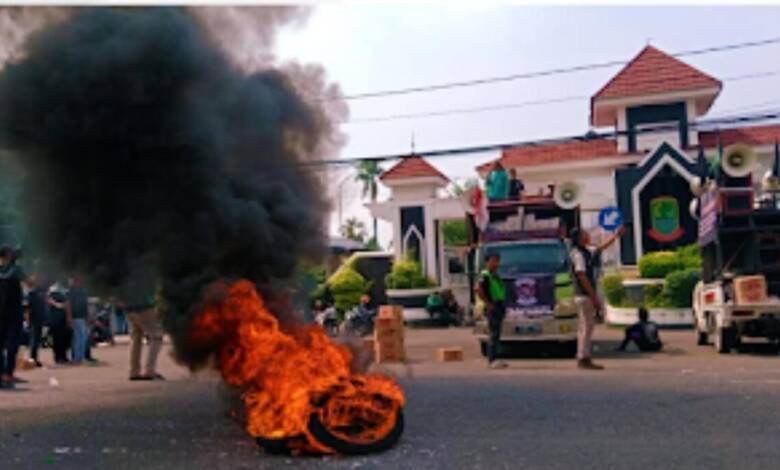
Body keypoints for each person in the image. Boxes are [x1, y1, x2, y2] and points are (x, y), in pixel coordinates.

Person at [569, 226, 625, 370]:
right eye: (584, 234)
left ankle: (582, 355)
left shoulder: (586, 251)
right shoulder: (578, 254)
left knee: (585, 327)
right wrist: (593, 297)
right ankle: (583, 357)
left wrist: (615, 236)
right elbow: (581, 275)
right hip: (584, 294)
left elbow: (600, 248)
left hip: (584, 295)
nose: (587, 235)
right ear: (579, 238)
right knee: (587, 328)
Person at [0, 247, 26, 388]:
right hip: (13, 312)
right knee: (12, 345)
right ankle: (8, 375)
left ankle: (3, 374)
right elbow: (29, 282)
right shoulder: (16, 270)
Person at [476, 253, 508, 369]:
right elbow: (478, 289)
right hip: (492, 306)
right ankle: (492, 359)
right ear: (487, 262)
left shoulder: (494, 275)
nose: (497, 264)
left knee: (497, 333)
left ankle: (496, 358)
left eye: (498, 261)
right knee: (493, 333)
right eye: (494, 261)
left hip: (498, 305)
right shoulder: (485, 275)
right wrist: (488, 303)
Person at [126, 290, 165, 381]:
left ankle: (134, 371)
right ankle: (150, 370)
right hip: (145, 306)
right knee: (156, 336)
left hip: (129, 305)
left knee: (136, 337)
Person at [25, 273, 48, 367]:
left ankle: (35, 358)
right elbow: (27, 308)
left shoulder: (39, 293)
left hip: (39, 319)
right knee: (34, 340)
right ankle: (33, 359)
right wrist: (27, 320)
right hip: (33, 319)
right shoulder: (31, 294)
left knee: (37, 340)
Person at [47, 280, 71, 364]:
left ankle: (61, 357)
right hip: (57, 321)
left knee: (60, 340)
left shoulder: (55, 295)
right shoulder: (57, 295)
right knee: (59, 340)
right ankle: (60, 357)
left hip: (58, 321)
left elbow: (66, 306)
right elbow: (66, 306)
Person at [67, 277, 89, 364]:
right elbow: (68, 305)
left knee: (82, 337)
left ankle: (81, 356)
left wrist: (87, 317)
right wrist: (69, 317)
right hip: (75, 317)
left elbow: (85, 305)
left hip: (82, 317)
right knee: (77, 338)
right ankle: (77, 357)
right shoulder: (70, 292)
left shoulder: (83, 292)